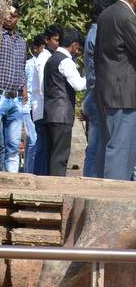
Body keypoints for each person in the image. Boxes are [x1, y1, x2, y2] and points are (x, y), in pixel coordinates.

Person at [95, 0, 136, 181]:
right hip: (124, 93)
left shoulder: (106, 14)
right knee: (122, 148)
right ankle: (115, 195)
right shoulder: (126, 16)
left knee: (109, 145)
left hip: (107, 89)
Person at [0, 2, 27, 173]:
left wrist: (24, 88)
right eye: (6, 14)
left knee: (13, 145)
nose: (9, 17)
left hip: (15, 99)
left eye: (13, 15)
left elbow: (21, 67)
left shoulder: (22, 42)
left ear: (18, 18)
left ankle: (12, 180)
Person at [43, 28, 86, 176]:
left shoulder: (51, 58)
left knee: (53, 154)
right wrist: (92, 79)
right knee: (60, 157)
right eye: (78, 48)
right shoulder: (65, 61)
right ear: (74, 45)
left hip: (50, 113)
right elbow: (79, 85)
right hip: (62, 114)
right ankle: (57, 187)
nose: (77, 51)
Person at [82, 0, 114, 177]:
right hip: (97, 93)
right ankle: (91, 180)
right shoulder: (98, 35)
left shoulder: (94, 33)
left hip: (95, 92)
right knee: (96, 144)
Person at [32, 25, 62, 175]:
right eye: (56, 40)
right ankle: (39, 178)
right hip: (43, 109)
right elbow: (45, 86)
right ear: (47, 40)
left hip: (46, 108)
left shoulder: (49, 57)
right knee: (43, 147)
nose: (58, 43)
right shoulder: (44, 58)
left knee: (46, 147)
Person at [23, 35, 45, 173]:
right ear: (35, 49)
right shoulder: (29, 65)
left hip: (36, 106)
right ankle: (30, 172)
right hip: (28, 106)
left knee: (32, 141)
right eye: (41, 48)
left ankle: (28, 170)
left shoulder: (43, 63)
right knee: (33, 141)